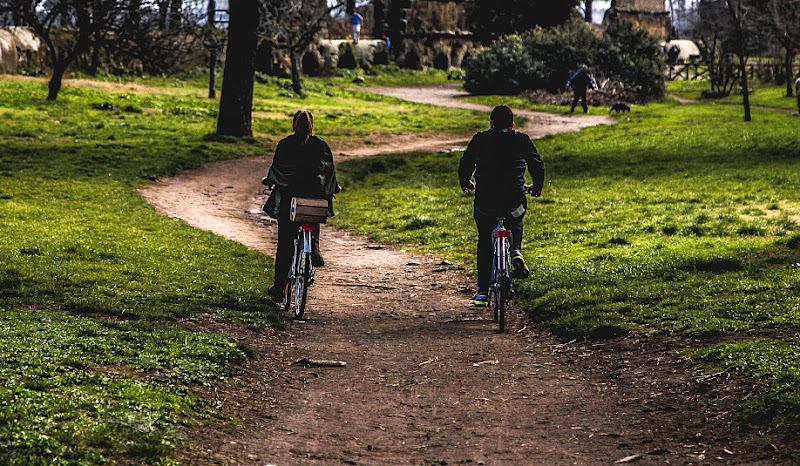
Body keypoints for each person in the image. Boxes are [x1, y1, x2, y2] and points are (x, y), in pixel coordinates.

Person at [458, 105, 545, 307]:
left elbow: (465, 163)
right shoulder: (521, 139)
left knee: (484, 241)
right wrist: (537, 186)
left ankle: (481, 291)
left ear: (491, 123)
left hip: (485, 201)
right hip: (514, 198)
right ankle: (515, 250)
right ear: (512, 124)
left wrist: (466, 182)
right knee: (516, 218)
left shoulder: (480, 139)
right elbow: (537, 164)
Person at [262, 110, 340, 303]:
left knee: (285, 245)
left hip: (290, 201)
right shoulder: (321, 146)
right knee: (312, 211)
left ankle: (279, 289)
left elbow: (278, 171)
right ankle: (314, 245)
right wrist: (333, 187)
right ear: (312, 127)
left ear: (293, 125)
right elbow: (327, 172)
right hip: (313, 200)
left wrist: (269, 180)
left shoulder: (285, 145)